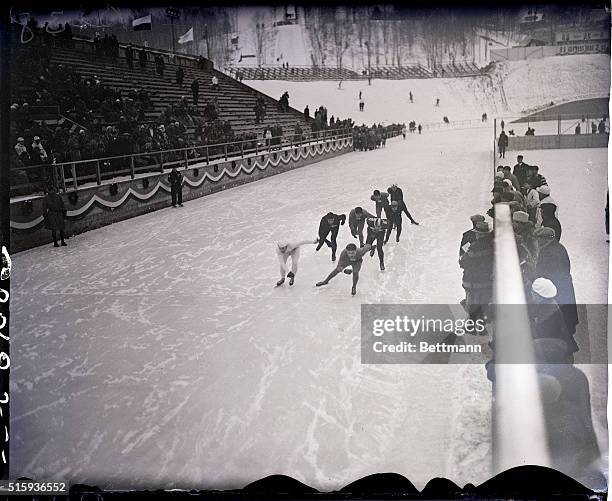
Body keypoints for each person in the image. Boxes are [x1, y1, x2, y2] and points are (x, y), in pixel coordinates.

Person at [535, 227, 579, 338]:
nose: (537, 242)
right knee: (565, 314)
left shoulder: (549, 252)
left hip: (557, 287)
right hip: (563, 286)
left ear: (545, 239)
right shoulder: (557, 247)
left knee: (560, 314)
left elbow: (545, 271)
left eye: (539, 239)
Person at [459, 221, 493, 320]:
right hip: (487, 281)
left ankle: (471, 327)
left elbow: (463, 263)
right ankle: (482, 326)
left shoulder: (474, 247)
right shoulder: (492, 245)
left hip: (474, 282)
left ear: (479, 234)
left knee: (472, 305)